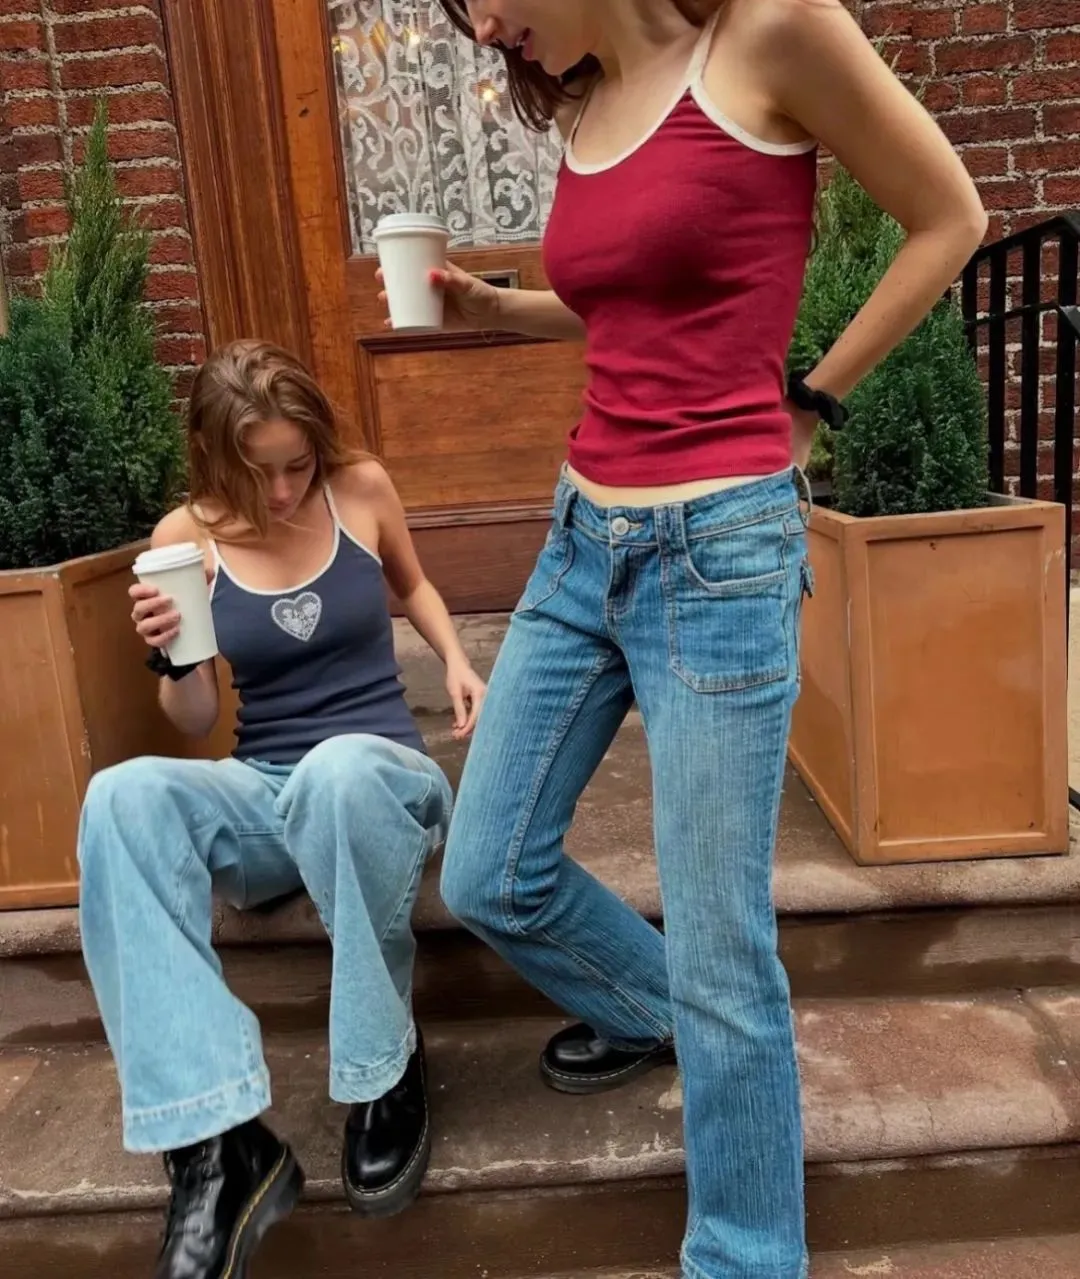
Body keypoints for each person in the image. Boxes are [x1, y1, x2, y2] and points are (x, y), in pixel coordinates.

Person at [404, 2, 988, 1277]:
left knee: (725, 951)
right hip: (580, 542)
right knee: (488, 868)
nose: (484, 27)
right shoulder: (592, 94)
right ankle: (653, 1007)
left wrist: (812, 398)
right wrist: (496, 305)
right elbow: (630, 302)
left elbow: (952, 217)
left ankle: (744, 1254)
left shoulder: (771, 34)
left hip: (719, 555)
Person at [78, 340, 486, 1278]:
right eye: (256, 472)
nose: (282, 491)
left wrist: (458, 660)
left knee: (339, 772)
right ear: (215, 455)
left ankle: (384, 1066)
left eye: (297, 464)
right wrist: (174, 655)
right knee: (120, 797)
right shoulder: (184, 536)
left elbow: (412, 582)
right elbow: (195, 716)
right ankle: (218, 1145)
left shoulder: (361, 489)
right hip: (268, 785)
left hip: (381, 774)